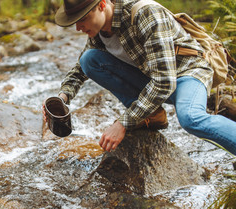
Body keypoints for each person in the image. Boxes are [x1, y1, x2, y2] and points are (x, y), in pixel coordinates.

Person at [43, 0, 236, 155]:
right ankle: (152, 116)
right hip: (154, 80)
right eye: (74, 22)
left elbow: (164, 82)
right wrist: (61, 99)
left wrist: (123, 122)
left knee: (191, 118)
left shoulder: (145, 14)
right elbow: (80, 69)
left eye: (82, 19)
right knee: (89, 59)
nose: (78, 28)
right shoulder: (99, 31)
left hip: (187, 74)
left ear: (102, 4)